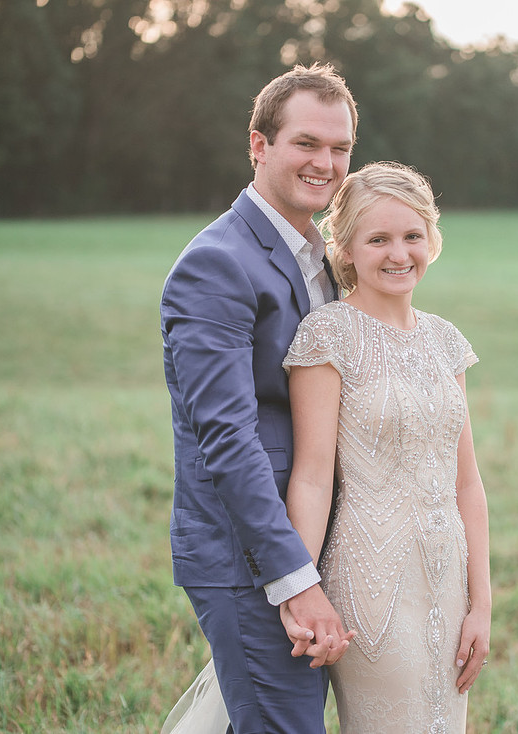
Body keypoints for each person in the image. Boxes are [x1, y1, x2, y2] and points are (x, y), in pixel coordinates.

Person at [159, 63, 358, 734]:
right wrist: (294, 577)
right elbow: (227, 439)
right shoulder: (217, 262)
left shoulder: (321, 258)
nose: (325, 163)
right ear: (259, 145)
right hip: (251, 556)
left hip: (317, 540)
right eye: (307, 143)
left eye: (339, 148)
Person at [281, 162, 492, 733]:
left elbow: (467, 483)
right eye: (378, 239)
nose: (399, 254)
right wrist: (301, 589)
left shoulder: (445, 341)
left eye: (412, 236)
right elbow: (312, 479)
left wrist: (481, 604)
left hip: (448, 579)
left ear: (431, 240)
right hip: (371, 580)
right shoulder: (328, 335)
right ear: (346, 248)